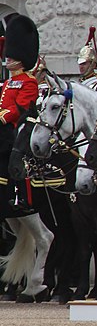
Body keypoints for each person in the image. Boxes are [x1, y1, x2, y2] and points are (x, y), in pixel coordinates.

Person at [0, 14, 39, 213]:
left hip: (14, 129)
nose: (8, 58)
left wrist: (2, 116)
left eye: (12, 56)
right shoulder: (7, 82)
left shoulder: (29, 81)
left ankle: (16, 194)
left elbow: (21, 107)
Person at [76, 26, 97, 90]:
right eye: (80, 64)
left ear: (93, 64)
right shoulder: (79, 82)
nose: (81, 67)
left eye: (84, 64)